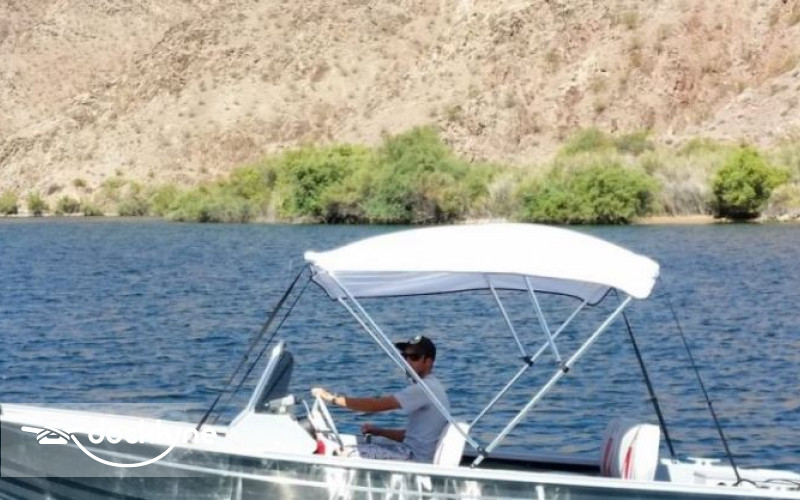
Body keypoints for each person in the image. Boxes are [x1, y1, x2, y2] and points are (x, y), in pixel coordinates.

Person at [311, 335, 450, 463]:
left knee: (344, 453)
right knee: (349, 446)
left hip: (413, 457)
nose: (407, 362)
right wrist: (379, 431)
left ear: (428, 362)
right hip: (411, 451)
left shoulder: (424, 389)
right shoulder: (433, 386)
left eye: (414, 357)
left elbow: (376, 405)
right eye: (405, 356)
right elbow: (413, 437)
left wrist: (333, 399)